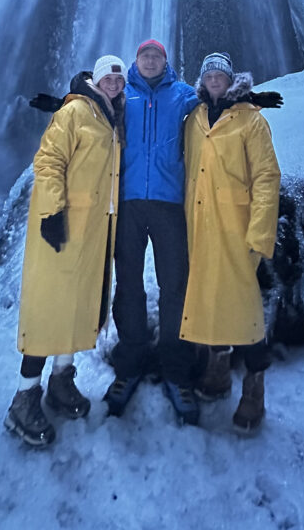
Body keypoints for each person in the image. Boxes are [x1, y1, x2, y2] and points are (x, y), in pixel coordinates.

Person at [4, 55, 127, 447]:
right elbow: (49, 160)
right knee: (49, 309)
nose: (114, 82)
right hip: (64, 225)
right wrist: (53, 211)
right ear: (95, 79)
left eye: (119, 77)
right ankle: (23, 399)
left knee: (77, 305)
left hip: (93, 231)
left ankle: (61, 379)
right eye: (108, 76)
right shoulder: (76, 110)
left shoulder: (110, 117)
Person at [180, 51, 281, 432]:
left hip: (237, 229)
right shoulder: (194, 118)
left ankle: (255, 388)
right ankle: (218, 368)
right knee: (208, 300)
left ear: (230, 79)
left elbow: (267, 178)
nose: (215, 79)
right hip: (200, 227)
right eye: (209, 74)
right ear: (203, 81)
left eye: (221, 74)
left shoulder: (251, 121)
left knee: (244, 309)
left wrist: (259, 234)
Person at [103, 39, 201, 424]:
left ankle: (176, 365)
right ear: (135, 61)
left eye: (156, 55)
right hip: (128, 200)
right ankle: (131, 358)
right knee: (128, 283)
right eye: (144, 55)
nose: (149, 60)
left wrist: (246, 100)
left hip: (168, 202)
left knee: (175, 283)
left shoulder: (182, 94)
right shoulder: (120, 93)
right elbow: (90, 105)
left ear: (165, 61)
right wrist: (76, 89)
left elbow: (215, 106)